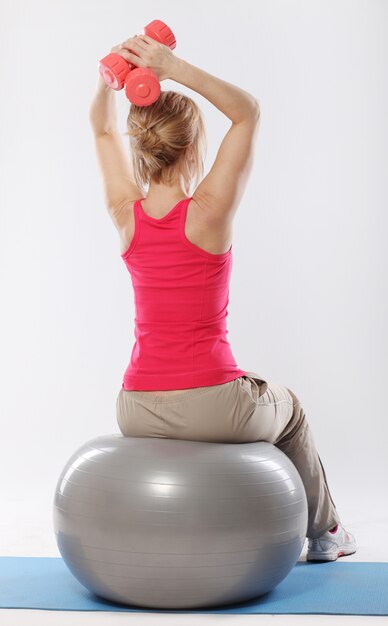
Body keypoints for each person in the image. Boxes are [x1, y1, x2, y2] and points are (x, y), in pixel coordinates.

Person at [89, 34, 356, 562]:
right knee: (292, 409)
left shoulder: (127, 215)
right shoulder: (209, 210)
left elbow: (100, 129)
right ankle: (325, 535)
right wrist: (172, 66)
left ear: (140, 145)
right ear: (192, 148)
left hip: (135, 405)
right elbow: (248, 112)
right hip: (213, 404)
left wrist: (108, 81)